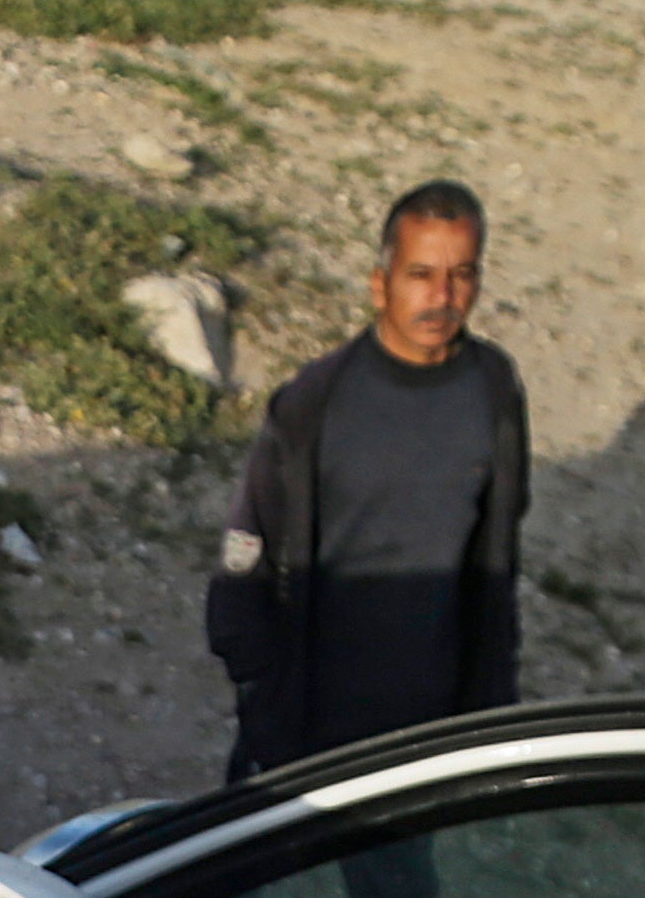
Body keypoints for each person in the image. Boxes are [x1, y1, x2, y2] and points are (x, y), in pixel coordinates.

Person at [204, 179, 534, 786]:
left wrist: (490, 710)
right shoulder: (315, 402)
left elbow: (498, 557)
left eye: (461, 274)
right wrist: (264, 695)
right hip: (303, 730)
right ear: (379, 283)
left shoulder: (494, 390)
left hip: (428, 735)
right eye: (420, 274)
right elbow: (245, 560)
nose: (442, 296)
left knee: (401, 883)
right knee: (253, 878)